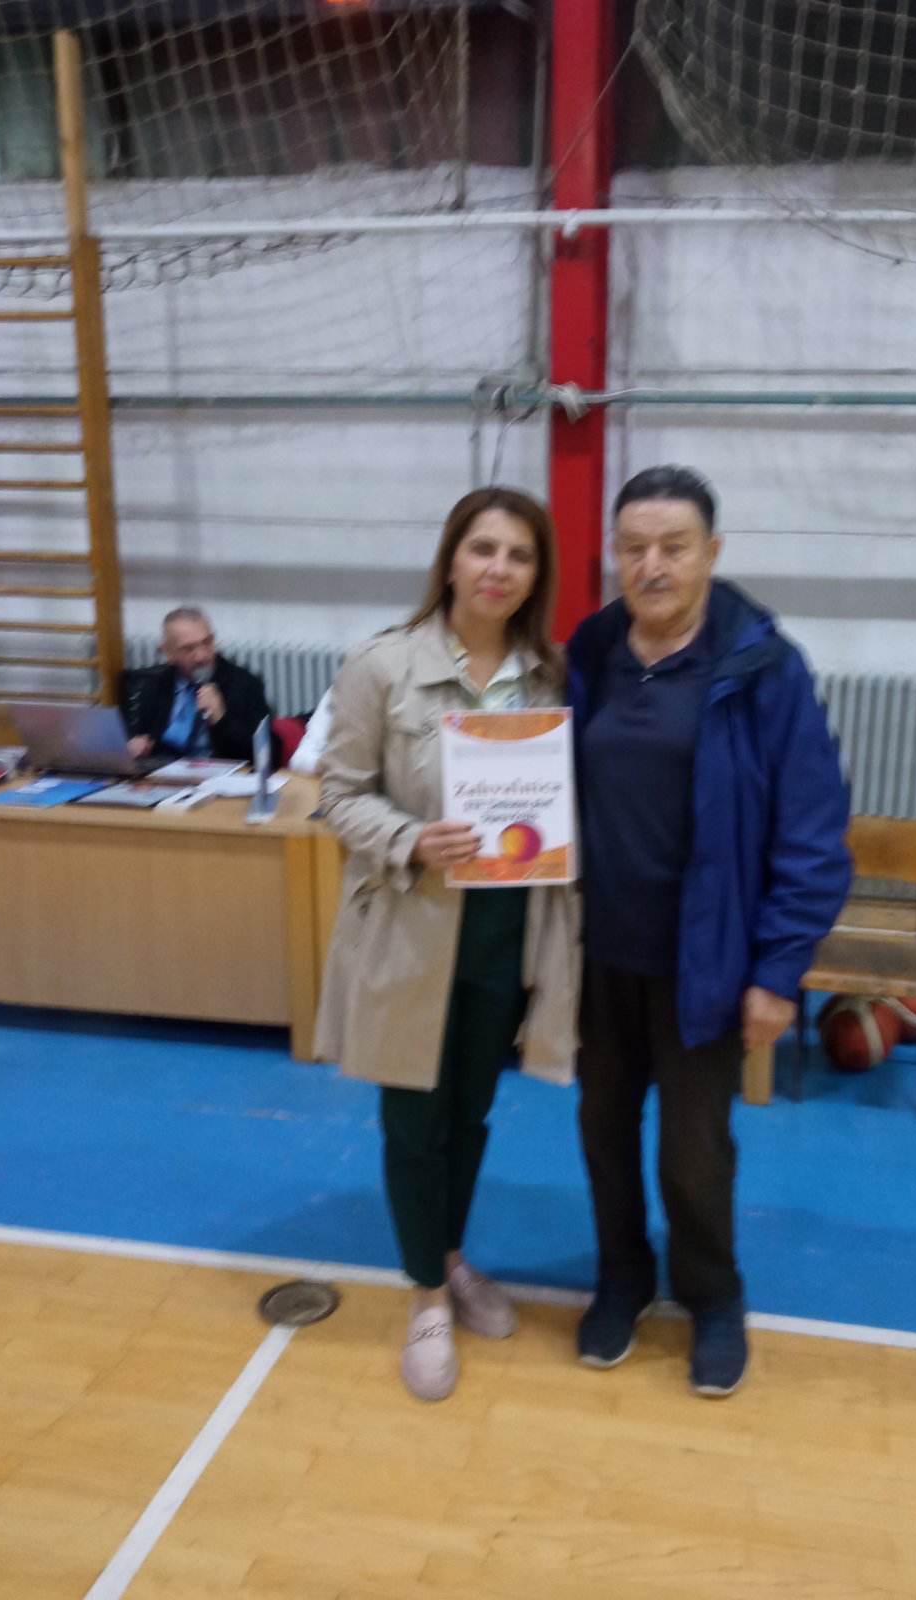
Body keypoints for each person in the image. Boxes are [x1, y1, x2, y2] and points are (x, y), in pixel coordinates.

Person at [566, 465, 852, 1398]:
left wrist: (778, 971)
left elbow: (812, 832)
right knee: (604, 1134)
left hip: (710, 965)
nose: (652, 565)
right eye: (634, 548)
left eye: (673, 547)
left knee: (694, 1151)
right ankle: (622, 1277)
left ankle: (713, 1296)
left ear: (711, 553)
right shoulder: (589, 650)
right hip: (598, 958)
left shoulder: (765, 667)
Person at [314, 487, 578, 1404]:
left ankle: (452, 1254)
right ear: (452, 559)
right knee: (413, 1121)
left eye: (520, 555)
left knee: (469, 1115)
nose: (499, 569)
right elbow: (338, 795)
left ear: (536, 575)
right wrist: (410, 838)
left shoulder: (550, 678)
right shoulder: (382, 666)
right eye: (483, 549)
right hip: (409, 930)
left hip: (506, 934)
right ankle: (427, 1295)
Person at [125, 606, 279, 765]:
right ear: (168, 653)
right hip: (164, 772)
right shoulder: (152, 684)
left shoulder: (244, 684)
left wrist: (221, 719)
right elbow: (140, 738)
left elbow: (269, 754)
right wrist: (136, 746)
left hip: (219, 774)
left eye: (206, 643)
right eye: (188, 649)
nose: (201, 657)